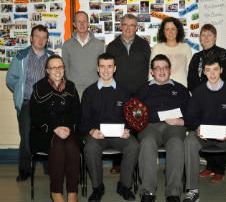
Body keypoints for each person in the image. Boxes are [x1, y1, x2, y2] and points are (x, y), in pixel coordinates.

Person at [183, 55, 226, 202]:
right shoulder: (198, 92)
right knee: (189, 141)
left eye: (215, 70)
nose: (212, 74)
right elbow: (190, 118)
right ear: (204, 72)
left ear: (221, 70)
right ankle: (192, 190)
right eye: (208, 70)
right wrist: (197, 128)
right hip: (203, 136)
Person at [80, 53, 139, 202]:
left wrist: (128, 130)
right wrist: (92, 131)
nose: (106, 70)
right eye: (102, 66)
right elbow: (83, 120)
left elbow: (131, 118)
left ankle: (125, 186)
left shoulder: (124, 92)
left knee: (133, 146)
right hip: (97, 135)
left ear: (115, 69)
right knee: (90, 148)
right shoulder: (89, 92)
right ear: (97, 69)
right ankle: (97, 187)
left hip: (119, 136)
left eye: (109, 66)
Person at [136, 54, 190, 202]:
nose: (161, 71)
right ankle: (148, 192)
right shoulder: (143, 90)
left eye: (165, 67)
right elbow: (137, 115)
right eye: (157, 68)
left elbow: (192, 114)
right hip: (149, 127)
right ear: (151, 71)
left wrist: (182, 121)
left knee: (177, 143)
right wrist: (161, 116)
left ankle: (173, 193)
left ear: (170, 70)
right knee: (147, 143)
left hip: (174, 127)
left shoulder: (181, 90)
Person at [29, 55, 81, 202]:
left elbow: (77, 112)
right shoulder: (39, 88)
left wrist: (68, 128)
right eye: (53, 68)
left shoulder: (71, 86)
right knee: (57, 145)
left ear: (64, 68)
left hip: (68, 129)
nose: (57, 71)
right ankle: (56, 191)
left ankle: (72, 192)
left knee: (72, 146)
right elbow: (36, 116)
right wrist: (54, 128)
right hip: (44, 132)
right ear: (47, 70)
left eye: (60, 67)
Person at [6, 24, 54, 182]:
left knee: (49, 134)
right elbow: (10, 79)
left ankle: (49, 167)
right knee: (26, 137)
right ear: (31, 38)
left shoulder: (51, 57)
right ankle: (25, 170)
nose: (40, 40)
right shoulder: (21, 56)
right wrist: (21, 91)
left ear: (47, 40)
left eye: (44, 37)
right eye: (37, 37)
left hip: (47, 105)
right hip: (27, 103)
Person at [187, 24, 226, 183]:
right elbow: (191, 80)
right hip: (201, 102)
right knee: (204, 133)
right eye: (203, 35)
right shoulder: (196, 56)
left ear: (214, 37)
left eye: (209, 35)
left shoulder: (222, 54)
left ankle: (219, 169)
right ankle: (210, 166)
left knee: (218, 134)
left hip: (219, 102)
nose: (205, 38)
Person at [106, 13, 151, 173]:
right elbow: (108, 69)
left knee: (138, 127)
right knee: (119, 125)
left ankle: (138, 162)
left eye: (132, 25)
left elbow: (148, 69)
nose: (128, 28)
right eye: (125, 25)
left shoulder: (144, 45)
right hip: (119, 93)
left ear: (137, 27)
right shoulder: (112, 46)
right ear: (120, 26)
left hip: (140, 93)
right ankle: (118, 163)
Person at [62, 11, 105, 96]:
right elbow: (65, 67)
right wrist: (72, 85)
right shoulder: (67, 44)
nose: (82, 24)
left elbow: (102, 67)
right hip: (74, 91)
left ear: (88, 23)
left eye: (84, 21)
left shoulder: (99, 45)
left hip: (94, 90)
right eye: (79, 21)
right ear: (74, 24)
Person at [150, 17, 192, 88]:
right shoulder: (157, 48)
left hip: (182, 90)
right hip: (161, 90)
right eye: (167, 29)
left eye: (173, 29)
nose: (170, 32)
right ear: (163, 31)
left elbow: (191, 72)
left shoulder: (186, 47)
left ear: (178, 31)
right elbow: (151, 73)